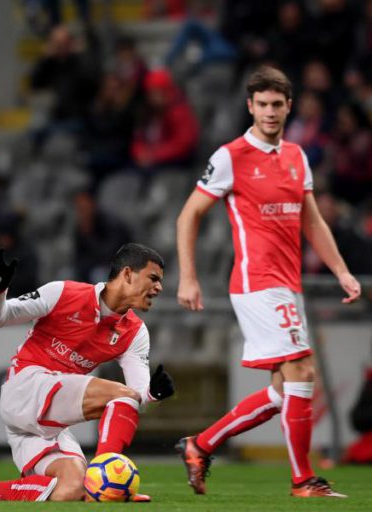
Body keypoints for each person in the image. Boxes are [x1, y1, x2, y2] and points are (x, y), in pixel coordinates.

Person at [175, 66, 361, 498]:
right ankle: (303, 481)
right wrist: (189, 277)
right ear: (250, 107)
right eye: (262, 104)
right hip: (257, 282)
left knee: (283, 389)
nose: (270, 112)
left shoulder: (297, 157)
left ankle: (199, 446)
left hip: (287, 284)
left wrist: (341, 271)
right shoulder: (230, 156)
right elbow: (189, 214)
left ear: (288, 106)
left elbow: (312, 222)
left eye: (278, 104)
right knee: (302, 370)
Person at [0, 243, 175, 502]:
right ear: (128, 274)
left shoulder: (135, 333)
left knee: (72, 489)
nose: (159, 288)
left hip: (42, 426)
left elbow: (135, 401)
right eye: (153, 278)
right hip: (25, 388)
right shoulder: (63, 293)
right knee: (120, 399)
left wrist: (152, 395)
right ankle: (106, 473)